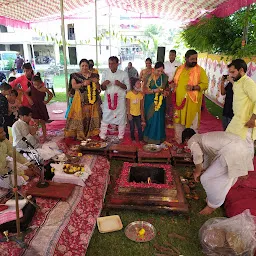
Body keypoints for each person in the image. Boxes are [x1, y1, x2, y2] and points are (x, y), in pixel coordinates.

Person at [182, 128, 253, 215]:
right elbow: (208, 155)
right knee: (226, 178)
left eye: (186, 144)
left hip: (232, 150)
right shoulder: (203, 138)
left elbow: (197, 154)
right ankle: (213, 201)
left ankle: (212, 205)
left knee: (206, 178)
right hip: (242, 146)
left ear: (186, 139)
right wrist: (204, 168)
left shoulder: (192, 140)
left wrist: (197, 171)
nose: (187, 146)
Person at [173, 49, 208, 144]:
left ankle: (192, 144)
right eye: (192, 59)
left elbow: (205, 85)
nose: (194, 61)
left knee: (192, 124)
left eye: (196, 59)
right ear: (186, 58)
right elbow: (174, 82)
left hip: (193, 104)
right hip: (179, 103)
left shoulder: (200, 70)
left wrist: (193, 87)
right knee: (178, 123)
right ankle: (179, 142)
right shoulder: (179, 69)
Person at [65, 59, 102, 140]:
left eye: (86, 65)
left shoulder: (94, 75)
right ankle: (80, 133)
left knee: (91, 115)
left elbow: (99, 88)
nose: (84, 67)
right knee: (80, 116)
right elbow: (74, 86)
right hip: (80, 99)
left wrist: (96, 83)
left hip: (93, 99)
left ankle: (91, 133)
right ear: (80, 66)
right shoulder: (75, 75)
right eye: (82, 66)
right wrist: (83, 84)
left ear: (89, 66)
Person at [226, 59, 256, 157]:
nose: (231, 75)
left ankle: (245, 170)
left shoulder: (248, 82)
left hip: (247, 122)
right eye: (229, 72)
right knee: (228, 143)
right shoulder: (238, 82)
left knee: (246, 149)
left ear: (241, 70)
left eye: (233, 72)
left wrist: (252, 119)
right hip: (237, 120)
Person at [99, 56, 130, 141]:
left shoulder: (123, 74)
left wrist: (120, 84)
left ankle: (121, 136)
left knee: (121, 117)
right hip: (108, 99)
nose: (110, 65)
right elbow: (102, 88)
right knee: (106, 116)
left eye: (112, 63)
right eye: (109, 63)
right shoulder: (105, 73)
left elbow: (128, 88)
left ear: (117, 64)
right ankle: (102, 135)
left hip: (120, 100)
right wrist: (104, 84)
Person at [0, 124, 37, 188]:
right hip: (1, 172)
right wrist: (23, 172)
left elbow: (13, 153)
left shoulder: (3, 140)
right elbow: (1, 169)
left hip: (5, 165)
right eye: (1, 133)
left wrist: (29, 164)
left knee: (25, 168)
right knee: (19, 182)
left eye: (3, 131)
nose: (4, 133)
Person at [143, 62, 169, 144]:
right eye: (158, 71)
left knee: (159, 119)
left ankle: (159, 138)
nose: (160, 73)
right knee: (150, 119)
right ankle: (148, 137)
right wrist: (154, 91)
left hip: (161, 102)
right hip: (150, 101)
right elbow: (144, 90)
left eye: (161, 71)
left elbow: (167, 89)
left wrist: (165, 92)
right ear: (154, 69)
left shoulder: (164, 77)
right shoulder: (148, 77)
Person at [25, 73, 53, 142]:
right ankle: (36, 137)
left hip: (42, 107)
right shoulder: (31, 87)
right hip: (34, 107)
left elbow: (51, 95)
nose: (36, 86)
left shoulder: (44, 89)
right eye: (34, 85)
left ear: (41, 83)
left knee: (43, 123)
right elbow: (25, 92)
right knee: (36, 123)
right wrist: (29, 99)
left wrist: (47, 101)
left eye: (37, 85)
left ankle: (44, 137)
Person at [126, 77, 145, 143]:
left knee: (140, 127)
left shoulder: (140, 95)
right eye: (138, 83)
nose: (139, 85)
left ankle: (140, 139)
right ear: (134, 85)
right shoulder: (129, 94)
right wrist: (129, 114)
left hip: (138, 114)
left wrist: (142, 116)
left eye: (140, 83)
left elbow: (141, 107)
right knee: (132, 128)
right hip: (131, 114)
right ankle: (133, 138)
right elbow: (127, 105)